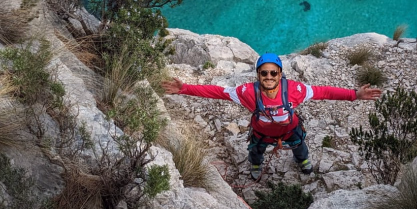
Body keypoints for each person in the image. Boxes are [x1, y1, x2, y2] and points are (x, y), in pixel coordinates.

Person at [162, 52, 382, 181]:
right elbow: (218, 92)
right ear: (258, 75)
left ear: (280, 74)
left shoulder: (294, 90)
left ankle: (302, 160)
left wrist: (354, 95)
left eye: (273, 72)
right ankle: (256, 165)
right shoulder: (247, 93)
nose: (269, 76)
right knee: (255, 151)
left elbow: (323, 92)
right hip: (261, 133)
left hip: (290, 130)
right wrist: (185, 89)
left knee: (300, 147)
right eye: (264, 73)